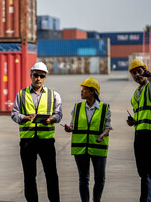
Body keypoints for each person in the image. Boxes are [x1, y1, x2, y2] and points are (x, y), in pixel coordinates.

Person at [11, 62, 63, 202]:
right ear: (31, 75)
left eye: (41, 76)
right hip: (28, 141)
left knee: (51, 174)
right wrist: (24, 118)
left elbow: (59, 114)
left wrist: (52, 119)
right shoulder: (21, 94)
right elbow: (14, 113)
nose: (38, 78)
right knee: (29, 176)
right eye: (36, 75)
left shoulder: (54, 95)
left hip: (46, 141)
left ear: (45, 77)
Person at [64, 78, 112, 202]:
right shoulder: (77, 107)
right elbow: (73, 126)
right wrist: (69, 129)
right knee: (83, 179)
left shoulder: (105, 108)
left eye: (84, 89)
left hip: (98, 148)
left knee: (100, 178)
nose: (81, 91)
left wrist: (103, 135)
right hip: (81, 149)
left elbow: (107, 127)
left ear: (92, 92)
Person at [126, 59, 151, 202]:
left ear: (145, 71)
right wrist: (133, 122)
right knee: (143, 173)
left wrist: (150, 75)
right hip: (139, 136)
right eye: (134, 73)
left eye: (139, 71)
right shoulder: (135, 94)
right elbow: (142, 114)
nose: (137, 75)